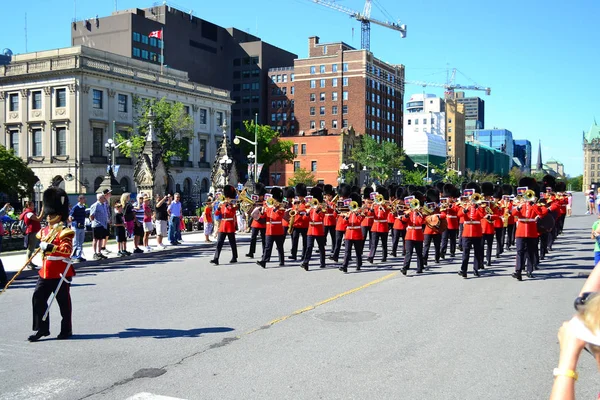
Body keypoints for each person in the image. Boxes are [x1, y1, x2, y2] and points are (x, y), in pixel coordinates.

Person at [28, 187, 76, 342]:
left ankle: (66, 329)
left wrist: (50, 247)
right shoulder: (43, 232)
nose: (49, 217)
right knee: (38, 298)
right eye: (48, 214)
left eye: (52, 214)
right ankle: (42, 329)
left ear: (59, 215)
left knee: (63, 303)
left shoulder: (65, 231)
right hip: (45, 272)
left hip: (60, 272)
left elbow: (67, 251)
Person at [256, 187, 286, 269]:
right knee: (267, 246)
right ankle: (264, 261)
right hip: (269, 229)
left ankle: (282, 260)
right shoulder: (268, 207)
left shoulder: (281, 207)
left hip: (278, 229)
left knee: (280, 247)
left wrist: (276, 208)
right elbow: (265, 216)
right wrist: (261, 212)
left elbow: (280, 216)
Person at [210, 185, 238, 265]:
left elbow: (231, 213)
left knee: (232, 242)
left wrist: (228, 205)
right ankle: (216, 258)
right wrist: (218, 208)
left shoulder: (233, 205)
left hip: (229, 224)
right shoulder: (222, 204)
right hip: (223, 225)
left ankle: (234, 257)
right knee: (219, 243)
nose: (226, 199)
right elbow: (217, 214)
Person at [300, 187, 327, 271]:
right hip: (311, 229)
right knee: (309, 247)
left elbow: (322, 217)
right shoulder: (310, 206)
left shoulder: (322, 206)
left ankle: (322, 262)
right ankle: (306, 263)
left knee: (321, 247)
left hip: (318, 229)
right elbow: (305, 219)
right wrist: (307, 214)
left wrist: (318, 210)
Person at [339, 193, 365, 273]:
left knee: (358, 251)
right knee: (347, 251)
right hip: (348, 233)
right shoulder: (347, 212)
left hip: (357, 234)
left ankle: (358, 264)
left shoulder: (360, 212)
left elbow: (360, 221)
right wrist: (346, 218)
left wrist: (357, 213)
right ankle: (344, 266)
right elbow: (343, 224)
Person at [20, 200, 42, 269]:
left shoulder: (29, 213)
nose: (34, 207)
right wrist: (42, 211)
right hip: (31, 232)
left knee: (31, 248)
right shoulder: (29, 213)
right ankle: (28, 263)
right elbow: (39, 219)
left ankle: (30, 262)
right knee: (30, 248)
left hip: (33, 232)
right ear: (28, 206)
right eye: (32, 205)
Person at [246, 183, 266, 258]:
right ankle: (251, 252)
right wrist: (252, 206)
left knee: (263, 238)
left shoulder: (266, 202)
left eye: (260, 196)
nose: (259, 197)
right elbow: (249, 212)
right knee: (253, 237)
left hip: (263, 222)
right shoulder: (254, 202)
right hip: (255, 222)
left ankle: (264, 252)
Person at [89, 193, 108, 260]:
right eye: (103, 197)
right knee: (95, 239)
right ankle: (95, 253)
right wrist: (93, 222)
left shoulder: (104, 205)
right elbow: (91, 215)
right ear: (99, 198)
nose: (104, 199)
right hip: (97, 225)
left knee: (100, 239)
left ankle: (99, 252)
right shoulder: (95, 205)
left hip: (103, 224)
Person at [68, 195, 87, 262]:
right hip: (76, 226)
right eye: (84, 198)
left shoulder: (84, 207)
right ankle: (74, 255)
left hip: (82, 226)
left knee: (80, 242)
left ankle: (79, 255)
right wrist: (72, 221)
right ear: (80, 199)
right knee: (75, 242)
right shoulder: (75, 207)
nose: (85, 200)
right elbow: (71, 216)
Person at [101, 189, 112, 254]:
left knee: (107, 235)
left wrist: (109, 219)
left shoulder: (107, 201)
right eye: (109, 193)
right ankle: (102, 247)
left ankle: (104, 246)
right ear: (106, 194)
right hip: (103, 221)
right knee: (104, 235)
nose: (110, 194)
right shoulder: (103, 201)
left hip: (107, 220)